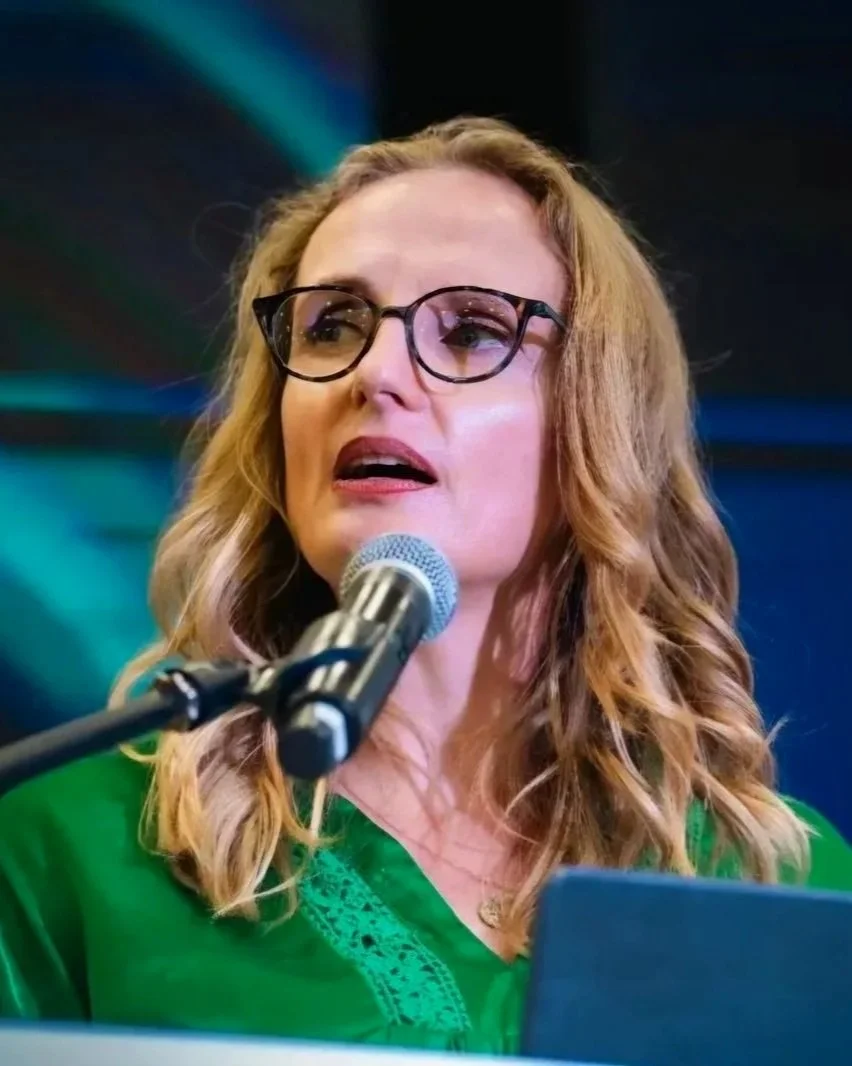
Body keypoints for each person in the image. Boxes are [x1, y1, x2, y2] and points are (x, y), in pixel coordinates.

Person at [0, 117, 850, 1056]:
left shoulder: (777, 883)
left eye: (474, 329)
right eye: (332, 325)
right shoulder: (66, 850)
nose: (375, 373)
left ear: (597, 420)